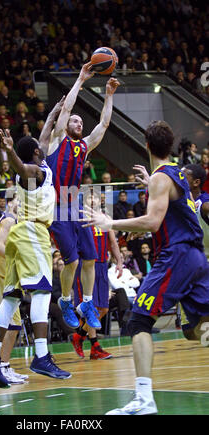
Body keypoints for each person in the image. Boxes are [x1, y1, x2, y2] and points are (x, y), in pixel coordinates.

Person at [82, 120, 209, 415]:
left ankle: (144, 400)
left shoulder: (161, 179)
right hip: (195, 258)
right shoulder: (178, 172)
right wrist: (151, 183)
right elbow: (176, 205)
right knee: (198, 329)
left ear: (146, 145)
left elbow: (152, 222)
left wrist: (109, 222)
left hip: (175, 257)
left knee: (138, 322)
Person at [0, 98, 71, 388]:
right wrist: (10, 151)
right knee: (43, 292)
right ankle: (41, 355)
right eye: (39, 145)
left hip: (19, 236)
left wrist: (56, 110)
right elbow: (23, 170)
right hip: (32, 232)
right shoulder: (34, 174)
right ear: (36, 152)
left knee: (10, 298)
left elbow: (46, 130)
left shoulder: (42, 162)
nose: (43, 143)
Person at [46, 62, 120, 330]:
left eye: (80, 121)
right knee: (73, 261)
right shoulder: (57, 140)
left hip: (76, 205)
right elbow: (66, 109)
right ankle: (66, 300)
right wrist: (80, 79)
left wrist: (109, 96)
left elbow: (104, 123)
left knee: (90, 258)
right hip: (57, 206)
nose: (78, 123)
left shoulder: (84, 147)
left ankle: (85, 303)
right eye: (75, 120)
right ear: (66, 124)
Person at [71, 192, 123, 360]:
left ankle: (79, 335)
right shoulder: (79, 217)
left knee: (104, 308)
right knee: (91, 309)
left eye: (95, 197)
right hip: (86, 266)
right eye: (89, 196)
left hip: (101, 266)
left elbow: (113, 243)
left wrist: (120, 262)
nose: (93, 199)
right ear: (84, 200)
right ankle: (95, 347)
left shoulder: (105, 218)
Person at [0, 195, 28, 384]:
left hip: (6, 276)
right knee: (9, 323)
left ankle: (3, 364)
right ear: (10, 202)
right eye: (19, 200)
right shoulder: (9, 220)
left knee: (13, 324)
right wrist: (17, 259)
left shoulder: (12, 220)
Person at [183, 164, 209, 260]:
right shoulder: (182, 200)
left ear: (196, 182)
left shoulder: (205, 204)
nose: (179, 179)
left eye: (183, 177)